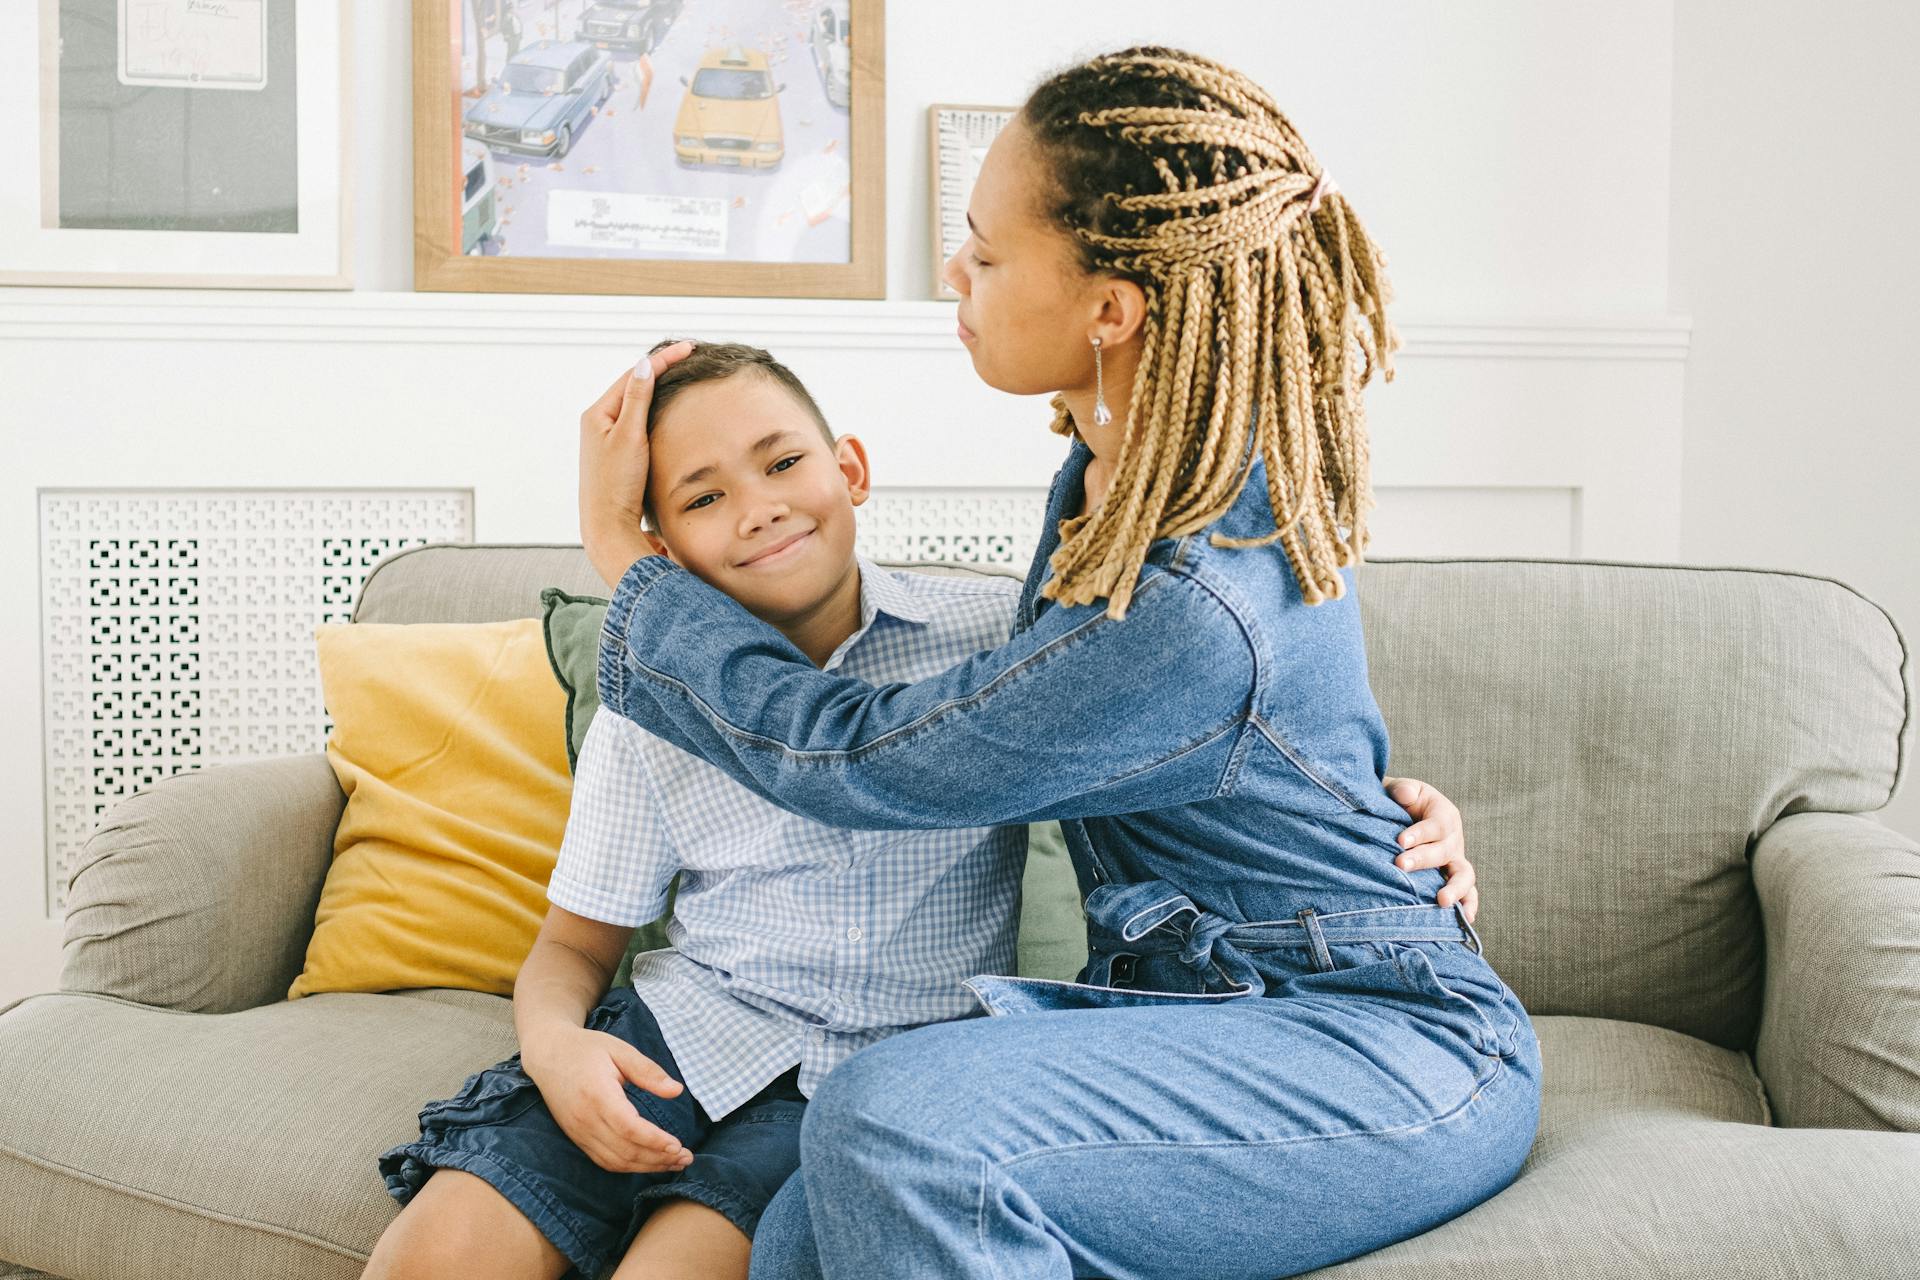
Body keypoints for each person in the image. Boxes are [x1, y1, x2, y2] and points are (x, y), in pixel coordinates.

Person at [575, 46, 1539, 1280]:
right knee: (807, 1224)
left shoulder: (1187, 589)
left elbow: (861, 761)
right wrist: (1374, 806)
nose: (955, 274)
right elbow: (1263, 740)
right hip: (1226, 1006)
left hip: (1378, 1039)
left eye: (986, 251)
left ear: (1109, 308)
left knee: (888, 1115)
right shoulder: (1119, 481)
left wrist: (632, 563)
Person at [363, 340, 1479, 1280]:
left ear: (849, 467)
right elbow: (572, 941)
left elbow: (1209, 715)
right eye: (702, 497)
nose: (757, 509)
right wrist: (557, 1047)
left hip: (869, 1079)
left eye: (781, 461)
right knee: (433, 1253)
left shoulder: (997, 640)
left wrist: (1390, 807)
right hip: (677, 1041)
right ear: (660, 552)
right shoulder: (652, 702)